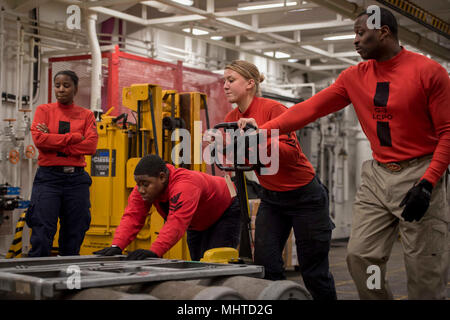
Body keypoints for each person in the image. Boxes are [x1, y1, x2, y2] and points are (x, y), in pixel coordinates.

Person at [238, 8, 450, 300]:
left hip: (421, 173)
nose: (355, 40)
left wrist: (428, 183)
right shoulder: (354, 77)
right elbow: (307, 109)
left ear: (383, 32)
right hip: (378, 175)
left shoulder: (429, 72)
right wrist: (262, 130)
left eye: (361, 33)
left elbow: (448, 133)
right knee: (362, 257)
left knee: (424, 270)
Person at [221, 60, 337, 300]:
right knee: (266, 265)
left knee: (313, 271)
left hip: (305, 196)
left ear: (250, 84)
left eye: (231, 80)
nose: (225, 85)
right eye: (224, 80)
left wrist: (258, 137)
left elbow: (291, 153)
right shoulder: (231, 117)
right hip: (272, 198)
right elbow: (240, 157)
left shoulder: (273, 109)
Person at [94, 154, 241, 261]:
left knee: (217, 263)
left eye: (145, 184)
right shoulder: (143, 188)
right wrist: (117, 246)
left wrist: (154, 252)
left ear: (162, 177)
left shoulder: (185, 185)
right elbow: (133, 216)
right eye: (138, 184)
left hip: (225, 210)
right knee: (198, 263)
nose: (141, 189)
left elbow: (176, 222)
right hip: (199, 221)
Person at [27, 70, 98, 257]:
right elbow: (40, 141)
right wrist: (74, 138)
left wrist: (54, 141)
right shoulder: (43, 110)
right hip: (48, 178)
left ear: (75, 89)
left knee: (75, 230)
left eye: (66, 85)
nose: (61, 89)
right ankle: (38, 281)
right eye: (57, 85)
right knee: (42, 230)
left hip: (77, 180)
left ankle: (68, 280)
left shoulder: (86, 115)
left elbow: (90, 146)